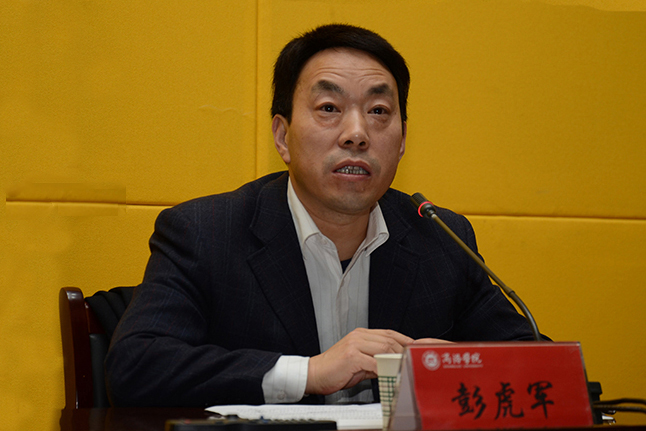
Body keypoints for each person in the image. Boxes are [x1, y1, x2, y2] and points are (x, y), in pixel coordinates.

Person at [105, 24, 539, 408]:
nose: (357, 134)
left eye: (379, 112)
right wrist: (310, 372)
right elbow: (136, 366)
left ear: (403, 140)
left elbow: (539, 368)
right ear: (283, 136)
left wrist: (458, 365)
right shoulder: (206, 232)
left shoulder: (440, 237)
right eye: (329, 108)